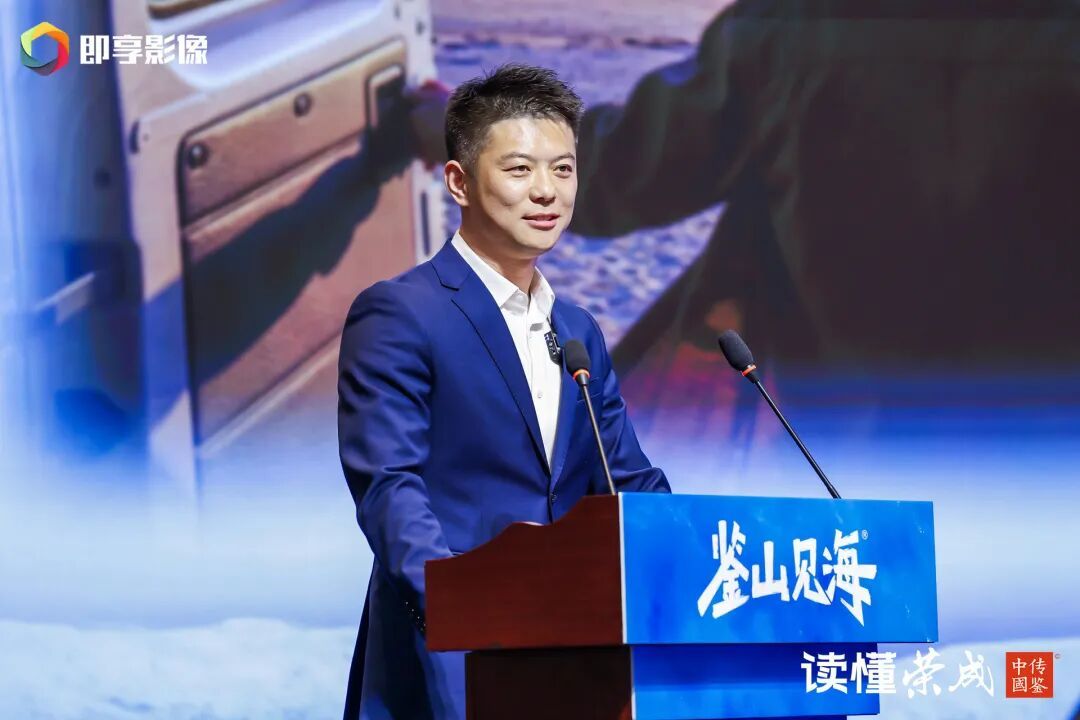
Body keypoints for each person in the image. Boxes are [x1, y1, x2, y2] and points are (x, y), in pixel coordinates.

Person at [337, 64, 670, 720]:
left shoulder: (576, 330)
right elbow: (389, 487)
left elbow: (627, 481)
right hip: (451, 653)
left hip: (576, 658)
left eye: (563, 169)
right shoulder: (402, 312)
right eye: (519, 169)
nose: (547, 191)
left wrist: (699, 550)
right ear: (458, 181)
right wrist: (461, 603)